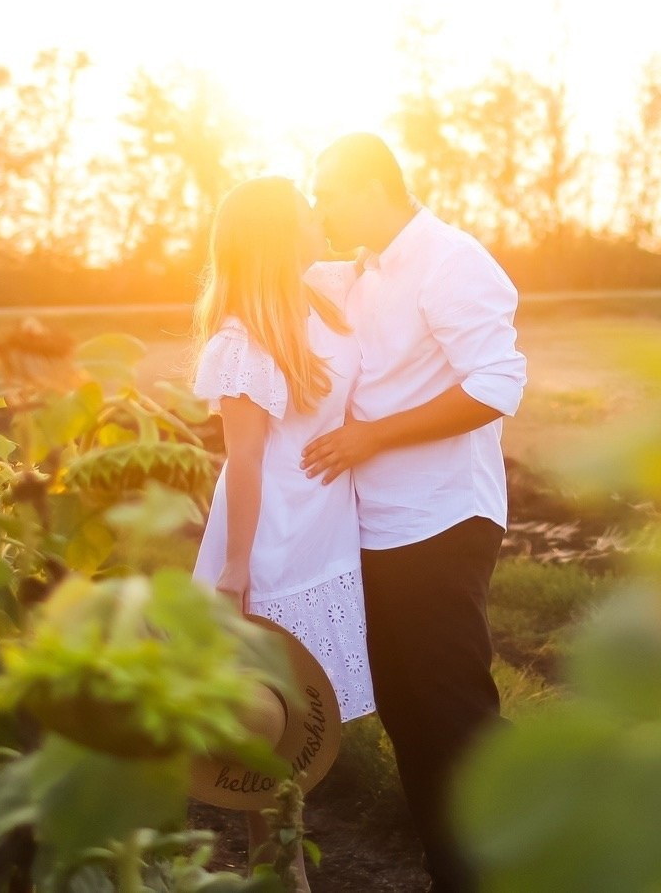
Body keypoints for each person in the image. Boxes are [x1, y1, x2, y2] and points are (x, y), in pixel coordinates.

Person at [301, 134, 525, 893]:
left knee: (453, 717)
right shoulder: (357, 275)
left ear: (371, 186)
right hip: (377, 526)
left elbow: (495, 385)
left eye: (327, 192)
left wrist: (373, 436)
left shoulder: (451, 261)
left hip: (440, 521)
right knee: (410, 721)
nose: (319, 208)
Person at [189, 175, 376, 884]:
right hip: (269, 540)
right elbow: (243, 461)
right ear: (277, 232)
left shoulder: (324, 294)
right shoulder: (242, 338)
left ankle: (283, 869)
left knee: (308, 723)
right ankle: (284, 874)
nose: (318, 215)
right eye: (304, 210)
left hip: (323, 532)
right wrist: (237, 567)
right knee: (261, 721)